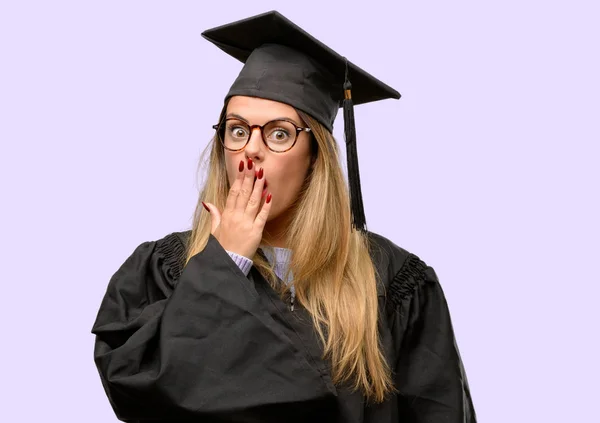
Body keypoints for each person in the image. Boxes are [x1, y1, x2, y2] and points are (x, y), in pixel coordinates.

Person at [91, 10, 477, 423]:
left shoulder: (392, 280)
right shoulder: (167, 268)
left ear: (316, 158)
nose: (251, 149)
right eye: (238, 129)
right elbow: (142, 393)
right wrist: (226, 261)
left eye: (279, 133)